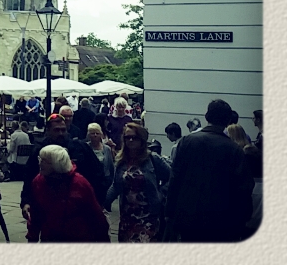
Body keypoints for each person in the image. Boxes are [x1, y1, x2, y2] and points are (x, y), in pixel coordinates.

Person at [165, 99, 254, 242]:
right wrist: (242, 219)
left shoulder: (186, 142)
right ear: (228, 120)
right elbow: (243, 188)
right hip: (221, 221)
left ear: (207, 117)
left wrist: (170, 212)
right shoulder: (234, 149)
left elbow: (175, 178)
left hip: (189, 218)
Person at [20, 113, 103, 222]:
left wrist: (98, 200)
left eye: (63, 130)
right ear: (48, 130)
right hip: (48, 206)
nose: (61, 133)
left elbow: (98, 173)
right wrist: (26, 202)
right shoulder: (40, 151)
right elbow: (29, 176)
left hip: (77, 207)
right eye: (56, 130)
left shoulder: (80, 148)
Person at [25, 144, 110, 243]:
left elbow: (94, 214)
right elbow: (36, 213)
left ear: (57, 163)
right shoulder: (38, 181)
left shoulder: (79, 183)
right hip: (50, 238)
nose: (40, 163)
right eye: (40, 159)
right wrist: (32, 237)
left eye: (45, 161)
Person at [104, 123, 170, 242]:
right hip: (127, 216)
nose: (130, 140)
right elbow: (116, 185)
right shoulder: (121, 161)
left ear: (141, 139)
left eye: (134, 137)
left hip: (148, 215)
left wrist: (160, 194)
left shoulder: (152, 159)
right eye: (127, 137)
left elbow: (171, 177)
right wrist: (104, 203)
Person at [85, 122, 114, 205]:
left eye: (97, 133)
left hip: (104, 181)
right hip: (90, 181)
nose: (95, 135)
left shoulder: (107, 149)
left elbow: (111, 166)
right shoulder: (85, 147)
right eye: (92, 133)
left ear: (101, 135)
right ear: (88, 135)